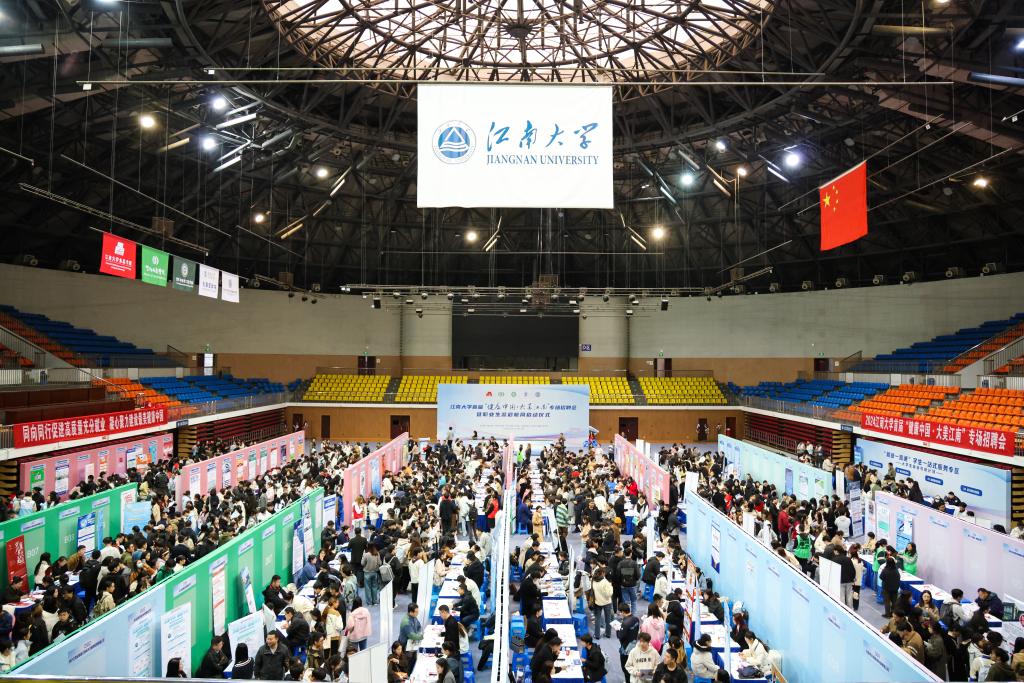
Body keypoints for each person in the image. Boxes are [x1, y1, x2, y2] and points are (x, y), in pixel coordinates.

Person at [616, 602, 640, 683]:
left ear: (623, 612)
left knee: (625, 668)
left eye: (620, 612)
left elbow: (620, 636)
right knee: (632, 666)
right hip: (634, 646)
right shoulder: (636, 619)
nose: (620, 614)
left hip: (625, 649)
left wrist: (617, 629)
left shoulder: (625, 623)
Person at [592, 568, 615, 639]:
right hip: (606, 602)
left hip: (597, 602)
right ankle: (608, 634)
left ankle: (597, 635)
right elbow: (609, 594)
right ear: (602, 573)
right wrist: (611, 587)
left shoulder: (593, 580)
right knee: (608, 619)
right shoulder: (605, 582)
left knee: (597, 619)